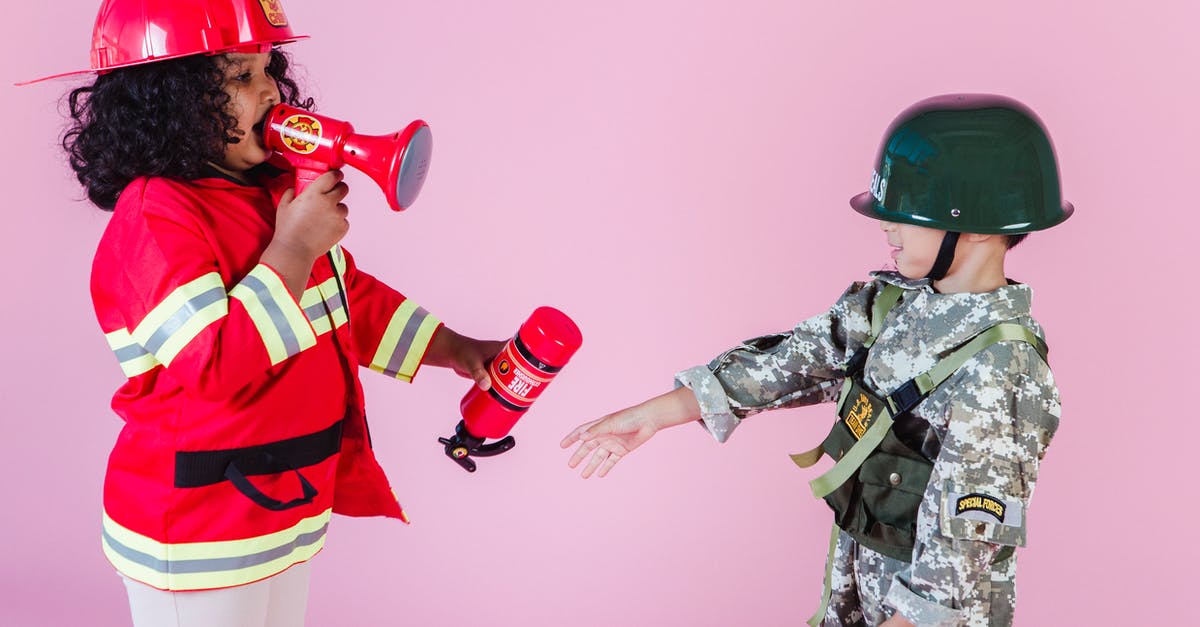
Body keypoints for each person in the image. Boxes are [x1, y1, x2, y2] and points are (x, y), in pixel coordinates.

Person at [29, 1, 503, 624]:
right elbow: (215, 363)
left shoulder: (268, 192)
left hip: (280, 510)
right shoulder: (154, 219)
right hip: (199, 527)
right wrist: (294, 246)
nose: (272, 91)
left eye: (267, 68)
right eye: (240, 77)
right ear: (168, 101)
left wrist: (458, 349)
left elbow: (346, 300)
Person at [561, 94, 1070, 626]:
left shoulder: (1000, 369)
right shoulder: (890, 303)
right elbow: (791, 363)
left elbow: (957, 563)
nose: (886, 229)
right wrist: (653, 416)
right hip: (855, 593)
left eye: (905, 216)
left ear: (978, 225)